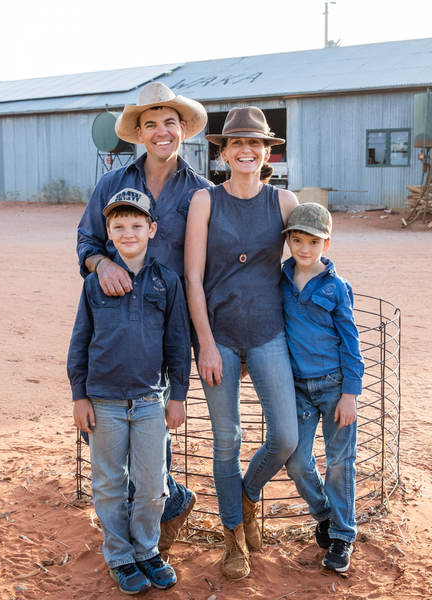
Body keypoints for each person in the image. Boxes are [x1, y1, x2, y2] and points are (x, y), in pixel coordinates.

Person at [77, 81, 211, 551]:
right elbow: (86, 243)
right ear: (137, 132)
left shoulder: (201, 192)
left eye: (169, 123)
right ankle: (157, 513)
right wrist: (103, 263)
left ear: (182, 130)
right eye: (150, 123)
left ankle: (156, 512)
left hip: (173, 318)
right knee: (125, 414)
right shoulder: (113, 185)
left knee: (156, 413)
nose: (161, 132)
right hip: (120, 321)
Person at [184, 107, 299, 580]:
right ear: (223, 151)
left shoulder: (285, 201)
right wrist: (206, 344)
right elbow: (192, 277)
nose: (247, 151)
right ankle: (233, 535)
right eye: (237, 143)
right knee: (226, 440)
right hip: (221, 337)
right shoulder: (205, 202)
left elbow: (307, 260)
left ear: (268, 151)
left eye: (256, 143)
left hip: (270, 332)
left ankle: (247, 496)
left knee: (285, 438)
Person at [68, 191, 191, 595]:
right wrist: (79, 395)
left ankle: (147, 549)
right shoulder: (94, 285)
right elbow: (80, 341)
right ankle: (119, 555)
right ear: (108, 232)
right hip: (103, 400)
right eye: (118, 226)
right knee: (108, 482)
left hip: (149, 401)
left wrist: (178, 396)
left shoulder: (166, 282)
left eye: (137, 225)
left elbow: (176, 342)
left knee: (152, 482)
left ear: (152, 229)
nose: (128, 233)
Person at [281, 203, 365, 574]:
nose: (304, 248)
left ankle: (343, 535)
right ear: (288, 241)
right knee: (296, 459)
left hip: (333, 387)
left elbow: (351, 340)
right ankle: (325, 515)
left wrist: (350, 394)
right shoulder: (280, 279)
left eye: (313, 241)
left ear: (326, 244)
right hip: (297, 387)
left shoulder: (336, 287)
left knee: (339, 461)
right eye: (296, 240)